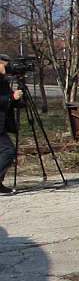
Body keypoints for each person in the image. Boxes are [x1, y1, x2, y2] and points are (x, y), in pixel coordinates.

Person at [0, 56, 23, 194]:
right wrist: (11, 97)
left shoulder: (3, 81)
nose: (8, 68)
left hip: (2, 123)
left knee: (6, 151)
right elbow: (7, 99)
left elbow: (11, 101)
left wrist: (17, 98)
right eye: (5, 65)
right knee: (8, 151)